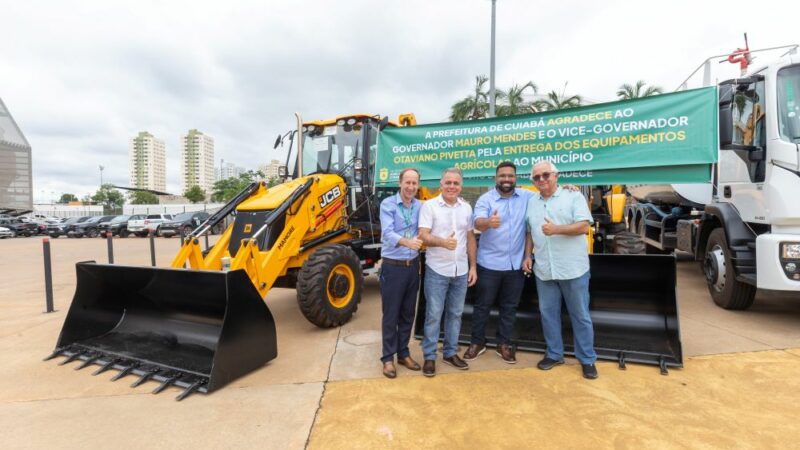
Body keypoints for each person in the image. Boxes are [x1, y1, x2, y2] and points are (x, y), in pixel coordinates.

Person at [523, 161, 599, 379]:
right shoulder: (531, 202)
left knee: (580, 316)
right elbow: (530, 232)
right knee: (548, 315)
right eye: (536, 177)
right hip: (545, 269)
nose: (541, 180)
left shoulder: (573, 196)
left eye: (545, 175)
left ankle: (587, 359)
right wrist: (528, 255)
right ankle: (555, 354)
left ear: (556, 175)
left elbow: (584, 226)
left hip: (573, 269)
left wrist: (556, 229)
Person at [463, 161, 532, 364]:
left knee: (509, 307)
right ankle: (478, 342)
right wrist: (488, 223)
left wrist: (569, 189)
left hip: (515, 265)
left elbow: (547, 195)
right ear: (496, 178)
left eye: (510, 176)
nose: (506, 179)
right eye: (502, 176)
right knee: (482, 306)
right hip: (489, 264)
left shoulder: (527, 197)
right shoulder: (486, 199)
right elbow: (477, 223)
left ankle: (504, 344)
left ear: (516, 178)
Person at [418, 167, 477, 377]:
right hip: (437, 270)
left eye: (456, 183)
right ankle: (430, 357)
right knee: (434, 315)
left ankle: (451, 353)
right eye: (448, 183)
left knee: (455, 314)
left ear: (461, 186)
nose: (452, 186)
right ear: (441, 184)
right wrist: (443, 242)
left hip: (460, 271)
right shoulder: (430, 206)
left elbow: (470, 238)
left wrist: (472, 267)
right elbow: (423, 235)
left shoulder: (467, 208)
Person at [379, 168, 424, 379]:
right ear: (400, 183)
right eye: (408, 182)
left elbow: (424, 230)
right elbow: (387, 233)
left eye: (415, 183)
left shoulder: (420, 206)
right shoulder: (388, 205)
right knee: (391, 314)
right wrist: (408, 242)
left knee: (408, 314)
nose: (411, 187)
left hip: (412, 266)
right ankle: (388, 358)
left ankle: (404, 353)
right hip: (393, 266)